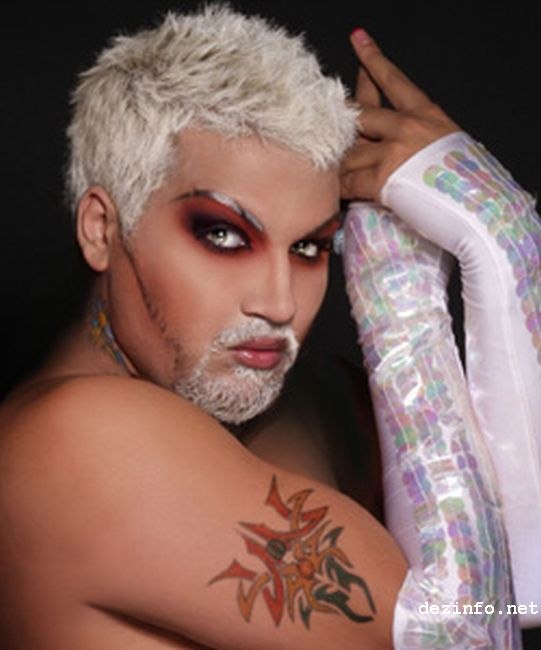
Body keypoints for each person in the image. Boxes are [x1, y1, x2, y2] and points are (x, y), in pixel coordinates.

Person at [0, 5, 538, 648]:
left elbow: (519, 596)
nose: (279, 303)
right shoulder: (77, 441)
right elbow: (466, 632)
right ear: (101, 228)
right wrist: (448, 262)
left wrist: (490, 243)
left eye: (310, 247)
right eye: (225, 236)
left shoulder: (310, 404)